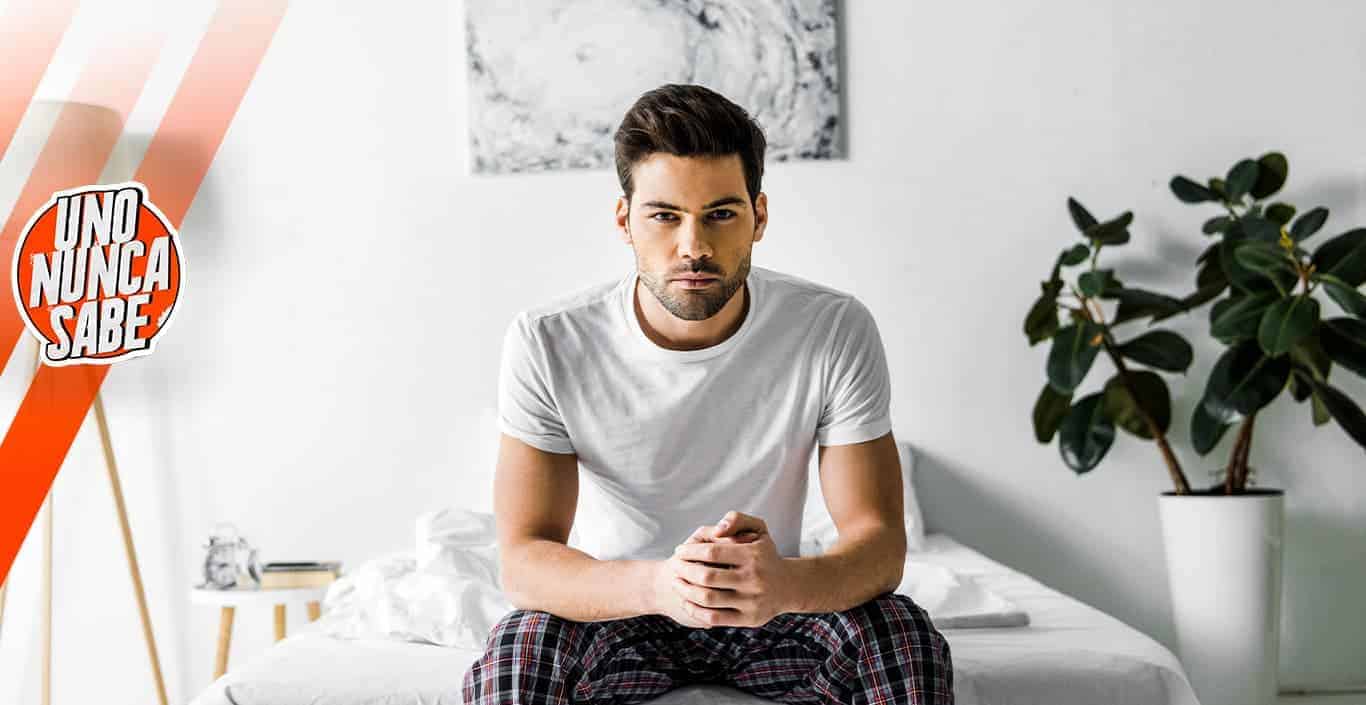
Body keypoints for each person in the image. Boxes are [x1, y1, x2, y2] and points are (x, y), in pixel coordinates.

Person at [463, 83, 953, 704]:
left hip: (775, 606)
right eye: (664, 216)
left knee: (901, 634)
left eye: (721, 214)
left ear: (759, 217)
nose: (693, 246)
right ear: (625, 221)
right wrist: (660, 587)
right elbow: (524, 561)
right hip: (622, 606)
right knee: (520, 651)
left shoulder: (831, 327)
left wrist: (783, 585)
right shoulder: (548, 341)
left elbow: (879, 545)